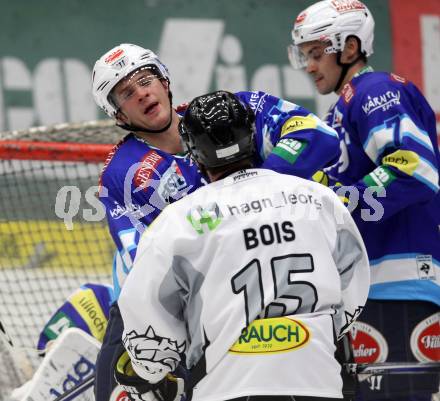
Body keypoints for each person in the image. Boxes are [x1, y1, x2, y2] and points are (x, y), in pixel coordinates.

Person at [91, 43, 342, 400]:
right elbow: (141, 268)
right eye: (126, 94)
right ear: (118, 116)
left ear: (164, 80)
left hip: (258, 285)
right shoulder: (122, 174)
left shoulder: (228, 114)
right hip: (162, 307)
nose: (142, 93)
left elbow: (319, 136)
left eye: (145, 79)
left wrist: (255, 191)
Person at [289, 1, 440, 400]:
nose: (309, 65)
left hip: (400, 283)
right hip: (370, 289)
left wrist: (339, 201)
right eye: (304, 55)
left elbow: (413, 169)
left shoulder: (377, 91)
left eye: (316, 53)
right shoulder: (346, 103)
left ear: (350, 48)